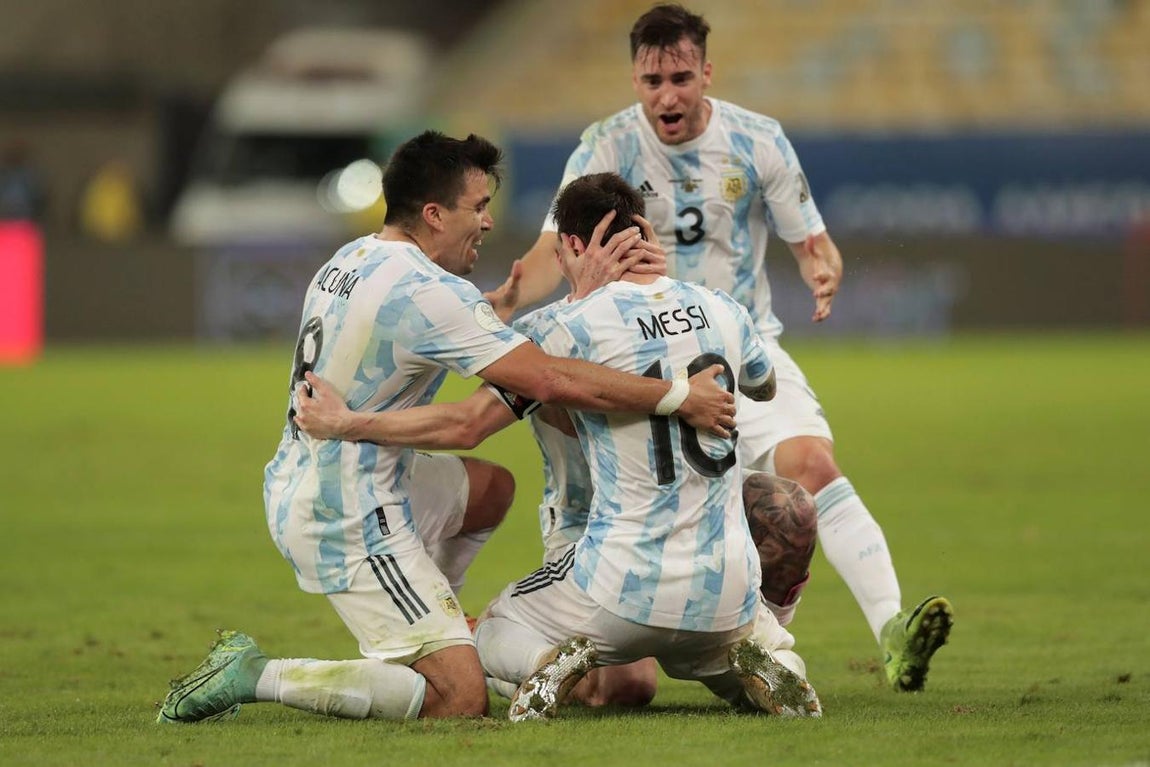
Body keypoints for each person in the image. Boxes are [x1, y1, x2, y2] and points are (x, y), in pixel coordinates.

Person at [156, 132, 738, 725]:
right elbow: (543, 384)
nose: (487, 223)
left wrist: (505, 309)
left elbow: (425, 328)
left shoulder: (354, 257)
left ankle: (440, 629)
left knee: (489, 491)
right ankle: (256, 673)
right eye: (478, 207)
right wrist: (677, 394)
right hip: (346, 511)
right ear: (434, 215)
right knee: (459, 700)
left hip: (333, 473)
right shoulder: (427, 291)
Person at [484, 4, 952, 692]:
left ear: (707, 71)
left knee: (811, 467)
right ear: (634, 79)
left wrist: (824, 265)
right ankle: (648, 622)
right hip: (631, 355)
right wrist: (512, 296)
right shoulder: (605, 145)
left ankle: (888, 630)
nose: (665, 95)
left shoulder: (757, 140)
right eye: (650, 81)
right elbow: (559, 245)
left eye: (679, 77)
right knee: (625, 688)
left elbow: (810, 238)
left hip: (734, 347)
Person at [474, 171, 820, 720]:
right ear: (645, 235)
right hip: (715, 576)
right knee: (641, 682)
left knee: (499, 626)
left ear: (569, 245)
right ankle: (770, 660)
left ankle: (544, 659)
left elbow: (474, 418)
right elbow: (765, 384)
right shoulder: (720, 306)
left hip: (608, 563)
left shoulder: (552, 328)